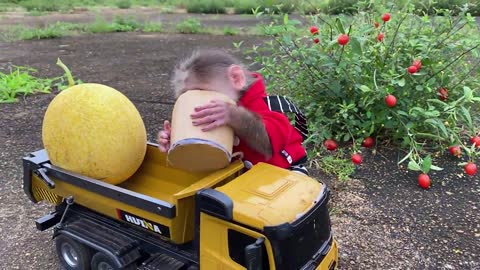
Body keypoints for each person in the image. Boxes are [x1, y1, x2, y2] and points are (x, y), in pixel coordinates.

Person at [157, 49, 309, 175]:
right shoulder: (213, 111)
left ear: (236, 78)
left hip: (283, 171)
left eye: (204, 93)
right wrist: (180, 140)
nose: (199, 102)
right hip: (241, 176)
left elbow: (268, 144)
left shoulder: (263, 107)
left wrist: (234, 116)